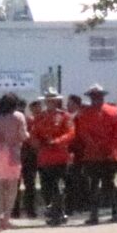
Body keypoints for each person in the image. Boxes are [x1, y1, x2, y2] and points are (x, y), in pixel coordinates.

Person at [73, 84, 117, 224]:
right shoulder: (85, 113)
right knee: (94, 184)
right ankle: (94, 214)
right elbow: (82, 132)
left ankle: (116, 211)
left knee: (108, 184)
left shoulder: (112, 111)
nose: (96, 99)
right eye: (94, 97)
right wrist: (94, 145)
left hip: (107, 154)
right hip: (93, 154)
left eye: (98, 96)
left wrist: (107, 147)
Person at [0, 95, 27, 233]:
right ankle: (7, 217)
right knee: (13, 185)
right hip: (13, 152)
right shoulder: (18, 116)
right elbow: (23, 135)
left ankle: (0, 215)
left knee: (1, 184)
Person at [30, 92, 74, 225]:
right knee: (46, 187)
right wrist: (37, 143)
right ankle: (54, 209)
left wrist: (57, 141)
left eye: (53, 100)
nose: (51, 103)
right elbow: (33, 134)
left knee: (58, 186)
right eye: (48, 101)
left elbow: (71, 133)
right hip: (44, 157)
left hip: (60, 156)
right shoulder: (39, 117)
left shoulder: (64, 116)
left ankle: (58, 212)